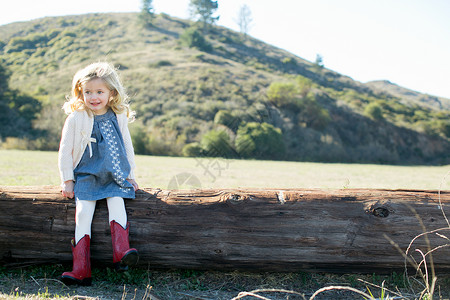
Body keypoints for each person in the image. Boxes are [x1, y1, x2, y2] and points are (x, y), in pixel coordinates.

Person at [58, 62, 139, 286]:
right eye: (88, 92)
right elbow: (65, 150)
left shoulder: (118, 116)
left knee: (117, 204)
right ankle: (81, 269)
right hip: (86, 175)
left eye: (100, 92)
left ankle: (122, 253)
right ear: (80, 93)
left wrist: (130, 175)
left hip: (114, 174)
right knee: (83, 213)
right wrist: (67, 179)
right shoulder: (76, 118)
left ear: (111, 93)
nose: (94, 97)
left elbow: (127, 147)